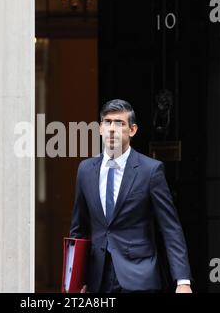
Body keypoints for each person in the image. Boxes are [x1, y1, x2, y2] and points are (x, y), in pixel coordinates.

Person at [69, 99, 192, 293]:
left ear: (132, 130)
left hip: (139, 276)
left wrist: (183, 281)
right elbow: (79, 229)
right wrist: (76, 279)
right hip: (97, 278)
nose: (112, 128)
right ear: (100, 128)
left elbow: (170, 228)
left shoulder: (150, 170)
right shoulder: (85, 170)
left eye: (119, 123)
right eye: (107, 122)